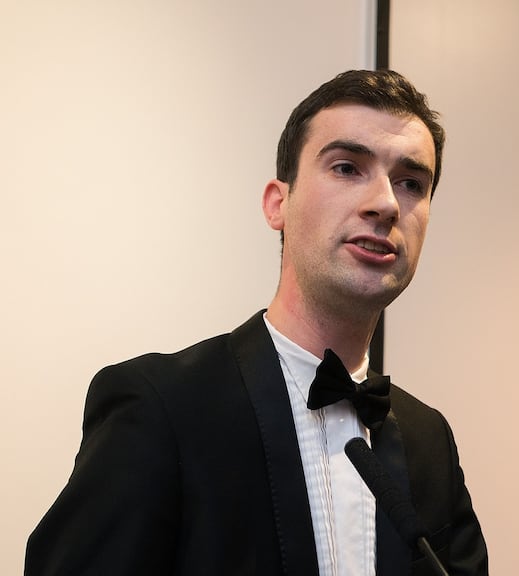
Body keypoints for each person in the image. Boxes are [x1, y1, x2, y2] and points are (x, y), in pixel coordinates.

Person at [25, 69, 488, 576]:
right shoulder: (160, 405)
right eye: (347, 168)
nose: (384, 203)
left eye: (411, 183)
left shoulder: (431, 440)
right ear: (278, 203)